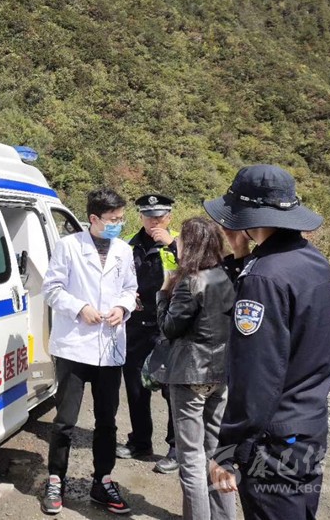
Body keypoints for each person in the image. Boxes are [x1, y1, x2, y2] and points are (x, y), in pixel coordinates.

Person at [204, 164, 330, 520]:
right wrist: (241, 254)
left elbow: (256, 376)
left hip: (272, 440)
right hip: (306, 426)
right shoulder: (311, 260)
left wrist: (227, 450)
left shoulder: (263, 278)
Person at [40, 188, 138, 515]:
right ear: (93, 218)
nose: (118, 224)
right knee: (65, 420)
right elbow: (51, 289)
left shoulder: (124, 250)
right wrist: (79, 307)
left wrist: (122, 308)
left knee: (107, 420)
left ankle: (102, 480)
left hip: (109, 348)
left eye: (121, 218)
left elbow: (130, 289)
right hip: (74, 347)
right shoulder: (68, 246)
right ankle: (56, 478)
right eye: (112, 219)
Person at [157, 217, 237, 520]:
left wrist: (163, 292)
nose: (176, 243)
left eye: (180, 239)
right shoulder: (226, 276)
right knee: (217, 454)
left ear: (189, 245)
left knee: (191, 458)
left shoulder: (189, 282)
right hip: (221, 373)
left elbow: (169, 327)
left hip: (191, 375)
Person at [117, 193, 180, 474]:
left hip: (169, 328)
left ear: (169, 217)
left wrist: (173, 245)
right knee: (135, 388)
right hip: (135, 326)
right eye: (149, 216)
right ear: (140, 217)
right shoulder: (128, 245)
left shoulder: (180, 242)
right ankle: (140, 441)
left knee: (172, 390)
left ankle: (176, 448)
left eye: (160, 217)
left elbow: (199, 273)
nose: (154, 222)